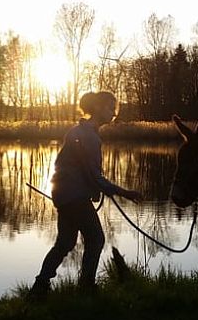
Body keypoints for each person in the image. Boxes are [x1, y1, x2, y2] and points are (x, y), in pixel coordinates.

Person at [29, 91, 141, 298]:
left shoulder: (80, 131)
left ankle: (40, 287)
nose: (114, 113)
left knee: (64, 243)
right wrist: (124, 192)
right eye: (110, 107)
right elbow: (94, 175)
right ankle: (86, 287)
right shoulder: (89, 136)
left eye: (114, 108)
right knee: (96, 239)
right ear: (98, 108)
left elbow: (83, 171)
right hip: (73, 197)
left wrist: (94, 190)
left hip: (65, 195)